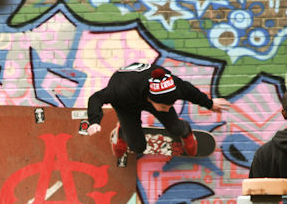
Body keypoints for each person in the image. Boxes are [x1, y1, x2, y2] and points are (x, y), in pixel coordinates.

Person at [85, 62, 230, 156]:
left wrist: (210, 104)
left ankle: (186, 132)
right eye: (164, 107)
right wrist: (95, 121)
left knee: (175, 129)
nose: (167, 109)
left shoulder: (171, 84)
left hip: (146, 91)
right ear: (150, 99)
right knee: (137, 148)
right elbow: (96, 98)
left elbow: (189, 90)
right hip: (126, 104)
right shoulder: (120, 91)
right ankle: (122, 133)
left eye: (170, 106)